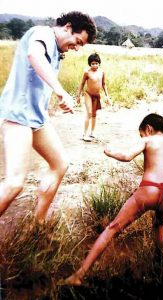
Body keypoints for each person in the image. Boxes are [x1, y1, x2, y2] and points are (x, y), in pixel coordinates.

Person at [63, 113, 163, 286]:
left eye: (142, 134)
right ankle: (161, 265)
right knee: (159, 225)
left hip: (150, 189)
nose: (142, 137)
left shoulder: (148, 140)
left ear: (148, 129)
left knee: (112, 228)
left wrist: (110, 152)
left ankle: (79, 275)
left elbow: (127, 156)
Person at [0, 12, 97, 224]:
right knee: (14, 184)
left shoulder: (56, 49)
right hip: (18, 116)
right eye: (78, 41)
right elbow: (34, 56)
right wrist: (60, 91)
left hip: (36, 119)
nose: (77, 47)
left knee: (60, 164)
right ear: (68, 27)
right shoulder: (42, 33)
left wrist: (57, 97)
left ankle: (39, 224)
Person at [76, 52, 110, 141]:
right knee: (89, 113)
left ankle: (92, 132)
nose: (94, 65)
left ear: (99, 63)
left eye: (96, 63)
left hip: (96, 96)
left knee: (94, 115)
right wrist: (78, 96)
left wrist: (107, 96)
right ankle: (84, 134)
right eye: (92, 64)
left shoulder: (102, 72)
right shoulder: (87, 73)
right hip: (88, 94)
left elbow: (104, 84)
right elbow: (82, 84)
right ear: (90, 64)